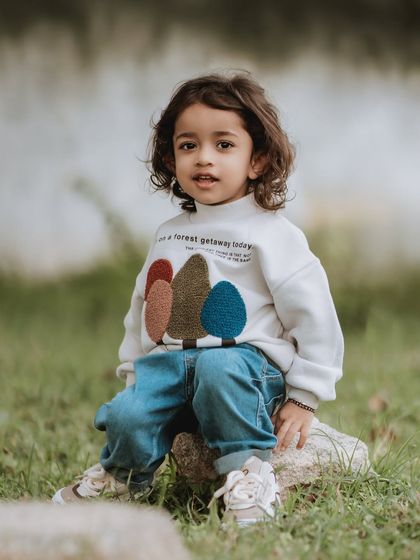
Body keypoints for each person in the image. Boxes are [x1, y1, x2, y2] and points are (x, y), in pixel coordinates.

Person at [53, 72, 344, 526]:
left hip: (244, 368)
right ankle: (124, 477)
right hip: (170, 365)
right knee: (128, 413)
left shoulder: (273, 235)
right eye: (189, 145)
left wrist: (305, 396)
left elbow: (316, 317)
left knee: (219, 367)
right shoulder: (169, 233)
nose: (204, 158)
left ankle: (249, 473)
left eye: (224, 145)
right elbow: (146, 303)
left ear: (258, 159)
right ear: (171, 158)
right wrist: (135, 372)